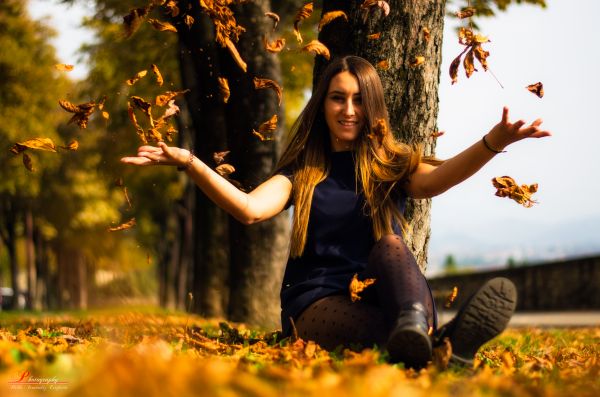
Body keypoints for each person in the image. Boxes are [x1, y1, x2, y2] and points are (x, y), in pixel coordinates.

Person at [121, 56, 550, 369]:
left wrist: (492, 142)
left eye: (359, 100)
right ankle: (443, 348)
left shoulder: (390, 165)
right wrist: (191, 164)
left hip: (396, 299)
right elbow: (249, 210)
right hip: (316, 303)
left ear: (373, 107)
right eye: (338, 98)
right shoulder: (302, 173)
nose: (348, 110)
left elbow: (438, 179)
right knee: (389, 335)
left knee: (390, 246)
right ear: (322, 105)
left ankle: (421, 331)